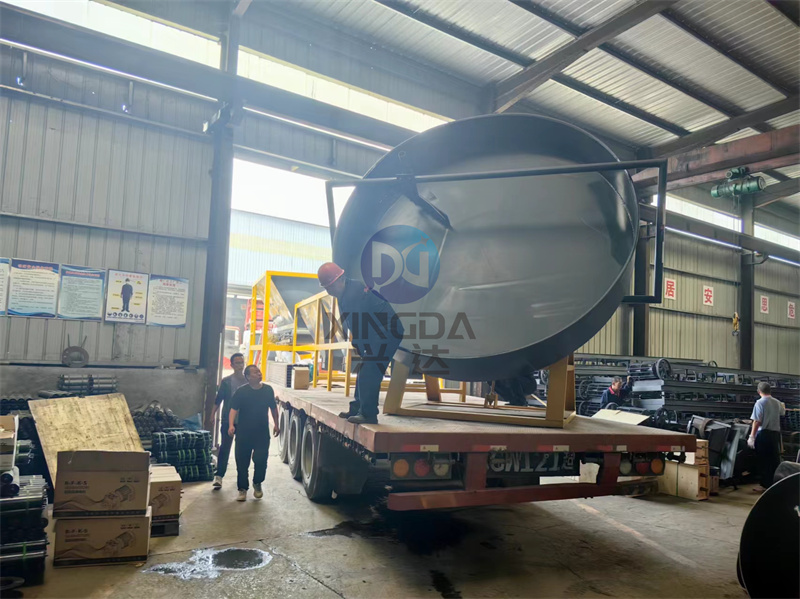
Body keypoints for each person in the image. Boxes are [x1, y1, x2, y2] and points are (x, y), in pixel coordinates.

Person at [317, 262, 404, 425]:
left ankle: (368, 414)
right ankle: (357, 409)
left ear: (341, 279)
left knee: (370, 370)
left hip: (388, 330)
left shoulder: (353, 293)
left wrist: (360, 344)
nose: (329, 291)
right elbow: (352, 322)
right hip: (376, 330)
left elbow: (359, 324)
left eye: (331, 287)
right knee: (364, 369)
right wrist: (359, 344)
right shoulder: (343, 293)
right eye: (326, 288)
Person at [228, 364, 280, 502]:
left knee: (261, 459)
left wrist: (276, 424)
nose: (259, 374)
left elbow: (273, 408)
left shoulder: (267, 390)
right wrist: (231, 425)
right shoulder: (241, 391)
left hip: (261, 433)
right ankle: (242, 489)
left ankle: (257, 483)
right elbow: (233, 409)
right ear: (248, 377)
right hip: (244, 433)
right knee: (242, 462)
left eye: (259, 372)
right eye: (255, 372)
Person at [211, 352, 246, 489]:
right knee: (225, 448)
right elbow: (218, 399)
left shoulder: (248, 381)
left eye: (241, 362)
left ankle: (241, 478)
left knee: (242, 450)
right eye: (237, 363)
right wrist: (212, 415)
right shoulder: (226, 381)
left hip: (244, 421)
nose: (240, 365)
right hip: (227, 420)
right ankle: (219, 476)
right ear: (231, 365)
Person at [747, 382, 783, 492]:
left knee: (763, 460)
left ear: (759, 391)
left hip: (764, 434)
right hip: (775, 434)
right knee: (774, 460)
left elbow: (757, 421)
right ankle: (775, 483)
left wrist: (752, 436)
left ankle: (764, 484)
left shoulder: (760, 402)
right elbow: (782, 413)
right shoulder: (777, 402)